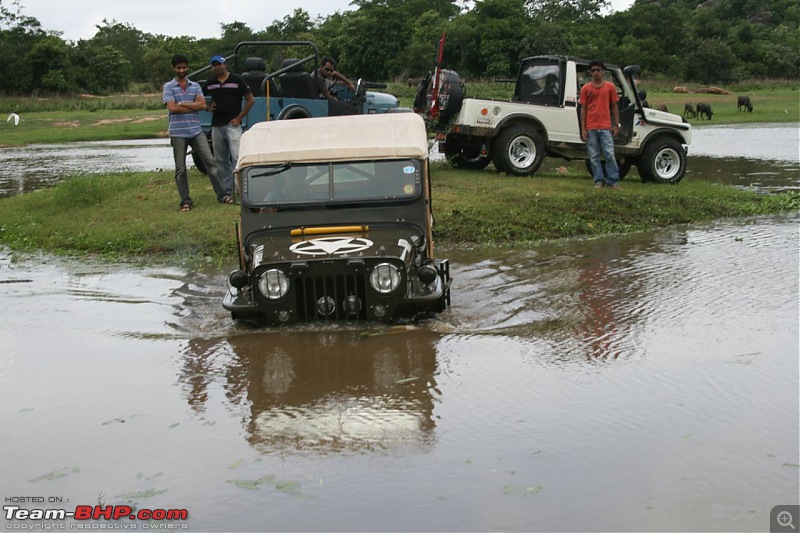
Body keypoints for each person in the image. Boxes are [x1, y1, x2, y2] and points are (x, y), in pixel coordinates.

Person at [162, 54, 233, 211]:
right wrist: (192, 105)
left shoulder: (194, 86)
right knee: (180, 168)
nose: (181, 70)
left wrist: (183, 103)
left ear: (187, 68)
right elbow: (172, 108)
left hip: (196, 130)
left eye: (184, 67)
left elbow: (202, 106)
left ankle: (223, 195)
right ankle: (185, 201)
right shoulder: (168, 86)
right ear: (174, 68)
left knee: (211, 162)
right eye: (178, 67)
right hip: (178, 132)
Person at [204, 55, 255, 197]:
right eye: (214, 65)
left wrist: (239, 118)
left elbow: (250, 100)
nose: (217, 67)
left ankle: (241, 188)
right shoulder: (210, 83)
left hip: (233, 124)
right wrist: (207, 107)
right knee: (220, 159)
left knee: (237, 156)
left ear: (225, 64)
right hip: (216, 124)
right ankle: (228, 189)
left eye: (219, 64)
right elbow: (199, 97)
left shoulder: (237, 80)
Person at [580, 60, 621, 189]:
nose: (596, 73)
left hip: (606, 127)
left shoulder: (610, 87)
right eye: (593, 70)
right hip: (591, 127)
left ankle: (613, 181)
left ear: (603, 71)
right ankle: (599, 180)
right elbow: (583, 108)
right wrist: (583, 129)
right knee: (594, 157)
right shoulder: (586, 88)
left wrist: (616, 124)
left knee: (609, 154)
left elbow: (614, 106)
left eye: (598, 70)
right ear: (590, 73)